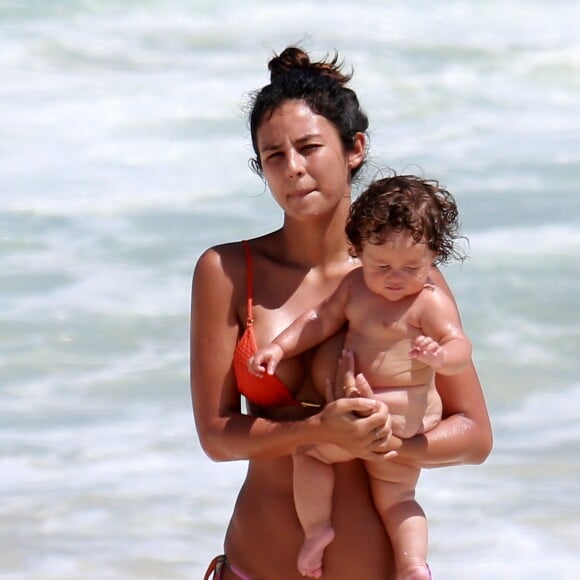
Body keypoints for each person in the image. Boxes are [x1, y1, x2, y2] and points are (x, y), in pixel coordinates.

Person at [191, 46, 492, 580]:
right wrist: (319, 430)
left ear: (355, 148)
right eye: (273, 156)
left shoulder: (407, 279)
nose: (294, 169)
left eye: (309, 147)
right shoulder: (228, 271)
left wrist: (392, 442)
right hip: (253, 567)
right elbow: (217, 436)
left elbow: (474, 436)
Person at [248, 174, 472, 579]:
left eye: (411, 267)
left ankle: (391, 554)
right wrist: (279, 347)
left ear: (434, 255)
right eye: (381, 265)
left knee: (317, 456)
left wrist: (441, 357)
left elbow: (460, 346)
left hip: (403, 420)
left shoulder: (428, 302)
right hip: (364, 415)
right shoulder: (354, 287)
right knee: (396, 498)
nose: (395, 278)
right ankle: (403, 566)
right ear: (358, 250)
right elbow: (317, 319)